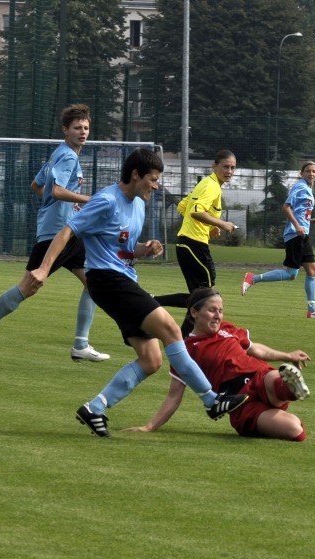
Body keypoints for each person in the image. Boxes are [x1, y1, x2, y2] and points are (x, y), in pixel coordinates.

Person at [29, 149, 247, 437]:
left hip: (121, 277)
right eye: (153, 180)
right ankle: (211, 400)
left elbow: (122, 249)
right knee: (171, 328)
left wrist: (144, 250)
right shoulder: (105, 200)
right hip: (107, 280)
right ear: (136, 175)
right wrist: (44, 269)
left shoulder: (139, 205)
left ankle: (95, 408)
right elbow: (67, 231)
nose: (156, 186)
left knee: (151, 359)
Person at [0, 104, 109, 363]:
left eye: (86, 127)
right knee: (29, 286)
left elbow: (37, 185)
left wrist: (58, 207)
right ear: (66, 130)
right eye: (77, 128)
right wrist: (88, 200)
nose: (83, 132)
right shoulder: (68, 157)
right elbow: (57, 191)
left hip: (66, 231)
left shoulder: (60, 154)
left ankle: (81, 345)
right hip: (57, 233)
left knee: (95, 282)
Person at [124, 287, 312, 441]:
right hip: (240, 404)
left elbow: (256, 350)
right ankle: (288, 389)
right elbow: (174, 395)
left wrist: (286, 355)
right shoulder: (184, 349)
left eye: (220, 311)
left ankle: (289, 387)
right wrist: (149, 427)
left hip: (259, 377)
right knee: (296, 431)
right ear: (194, 312)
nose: (218, 316)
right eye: (212, 310)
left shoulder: (227, 329)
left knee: (272, 379)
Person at [241, 160, 315, 318]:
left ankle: (312, 310)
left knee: (312, 271)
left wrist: (310, 220)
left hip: (302, 235)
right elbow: (286, 207)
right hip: (295, 235)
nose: (311, 174)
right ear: (301, 173)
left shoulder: (307, 189)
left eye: (314, 171)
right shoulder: (300, 186)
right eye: (308, 171)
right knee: (291, 274)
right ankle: (252, 278)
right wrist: (297, 226)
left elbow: (299, 210)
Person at [175, 149, 239, 293]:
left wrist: (210, 227)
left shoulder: (205, 184)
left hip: (185, 244)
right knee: (208, 295)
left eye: (232, 167)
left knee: (198, 297)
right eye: (225, 166)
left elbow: (182, 206)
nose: (229, 171)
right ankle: (153, 303)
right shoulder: (212, 186)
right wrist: (221, 224)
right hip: (194, 244)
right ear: (214, 166)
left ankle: (153, 301)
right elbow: (196, 212)